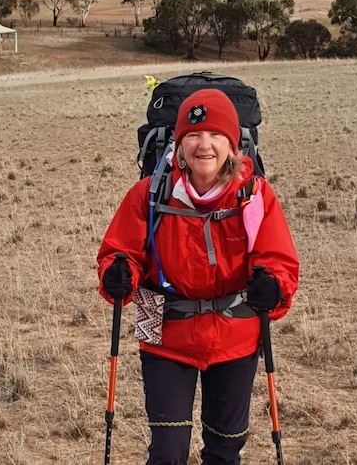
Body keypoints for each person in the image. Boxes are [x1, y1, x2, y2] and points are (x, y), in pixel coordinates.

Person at [96, 88, 300, 465]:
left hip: (235, 335)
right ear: (179, 142)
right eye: (192, 134)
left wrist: (274, 285)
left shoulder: (254, 195)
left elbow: (279, 260)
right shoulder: (150, 194)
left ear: (232, 144)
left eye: (215, 135)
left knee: (225, 450)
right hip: (163, 334)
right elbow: (119, 252)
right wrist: (117, 275)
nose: (203, 145)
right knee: (168, 453)